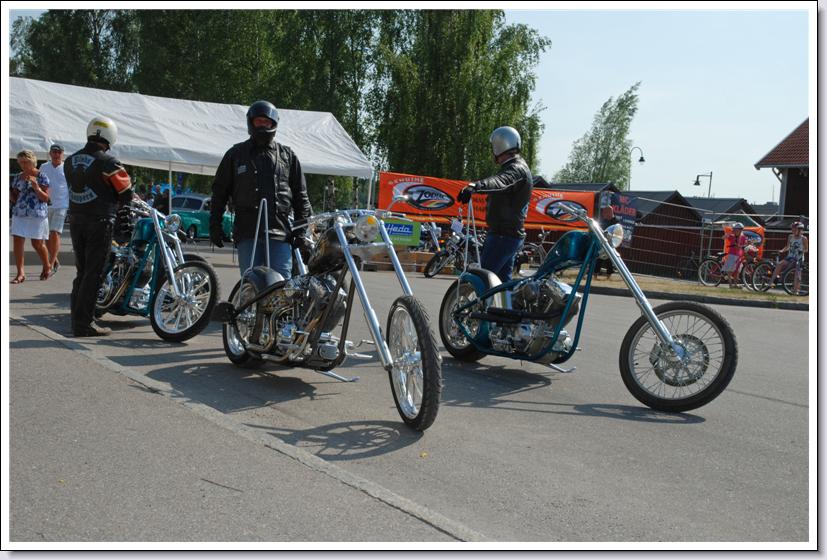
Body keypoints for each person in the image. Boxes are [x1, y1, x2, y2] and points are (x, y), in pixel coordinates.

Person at [210, 100, 313, 279]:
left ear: (274, 124)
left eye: (267, 122)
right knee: (251, 283)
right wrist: (215, 225)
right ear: (251, 123)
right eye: (259, 121)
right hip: (248, 232)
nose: (263, 125)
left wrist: (301, 233)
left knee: (281, 287)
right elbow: (219, 192)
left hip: (280, 234)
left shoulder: (287, 156)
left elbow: (301, 196)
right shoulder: (235, 155)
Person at [64, 116, 135, 337]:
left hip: (76, 220)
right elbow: (126, 193)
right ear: (110, 136)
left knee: (82, 271)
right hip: (100, 221)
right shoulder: (109, 162)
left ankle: (77, 319)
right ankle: (84, 324)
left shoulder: (70, 160)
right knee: (94, 273)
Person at [457, 126, 532, 283]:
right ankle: (506, 308)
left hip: (503, 236)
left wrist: (476, 186)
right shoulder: (518, 167)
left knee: (481, 280)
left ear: (500, 146)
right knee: (502, 284)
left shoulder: (516, 169)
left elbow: (501, 182)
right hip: (509, 235)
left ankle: (479, 307)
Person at [10, 150, 52, 283]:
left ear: (32, 161)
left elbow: (46, 199)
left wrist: (37, 188)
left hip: (37, 214)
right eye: (21, 162)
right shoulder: (17, 177)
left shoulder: (42, 176)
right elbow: (15, 197)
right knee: (17, 241)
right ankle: (20, 273)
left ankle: (47, 265)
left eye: (26, 162)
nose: (23, 165)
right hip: (20, 213)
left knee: (37, 243)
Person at [40, 144, 70, 274]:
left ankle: (50, 264)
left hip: (61, 205)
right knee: (45, 235)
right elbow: (40, 183)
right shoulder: (43, 167)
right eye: (54, 152)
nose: (56, 154)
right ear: (50, 153)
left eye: (59, 152)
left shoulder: (68, 167)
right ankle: (55, 259)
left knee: (55, 233)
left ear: (63, 154)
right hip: (45, 204)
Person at [769, 221, 808, 292]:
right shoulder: (790, 236)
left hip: (798, 258)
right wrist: (781, 250)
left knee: (797, 273)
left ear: (800, 230)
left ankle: (796, 290)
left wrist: (801, 251)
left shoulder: (804, 238)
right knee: (779, 264)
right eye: (792, 229)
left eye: (795, 229)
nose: (793, 230)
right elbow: (787, 247)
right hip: (790, 257)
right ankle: (771, 282)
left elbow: (806, 249)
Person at [596, 204, 619, 279]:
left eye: (605, 212)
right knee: (599, 258)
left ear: (609, 212)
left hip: (610, 243)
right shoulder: (604, 221)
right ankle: (595, 274)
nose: (603, 214)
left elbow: (617, 234)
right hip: (603, 242)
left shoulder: (616, 222)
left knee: (608, 259)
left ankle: (608, 275)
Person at [721, 223, 746, 288]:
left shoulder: (743, 237)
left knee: (737, 271)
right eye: (735, 230)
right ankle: (730, 284)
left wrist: (741, 246)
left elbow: (744, 245)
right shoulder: (732, 236)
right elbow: (723, 238)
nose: (736, 231)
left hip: (739, 255)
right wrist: (729, 232)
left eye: (738, 230)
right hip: (732, 255)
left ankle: (735, 284)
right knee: (730, 270)